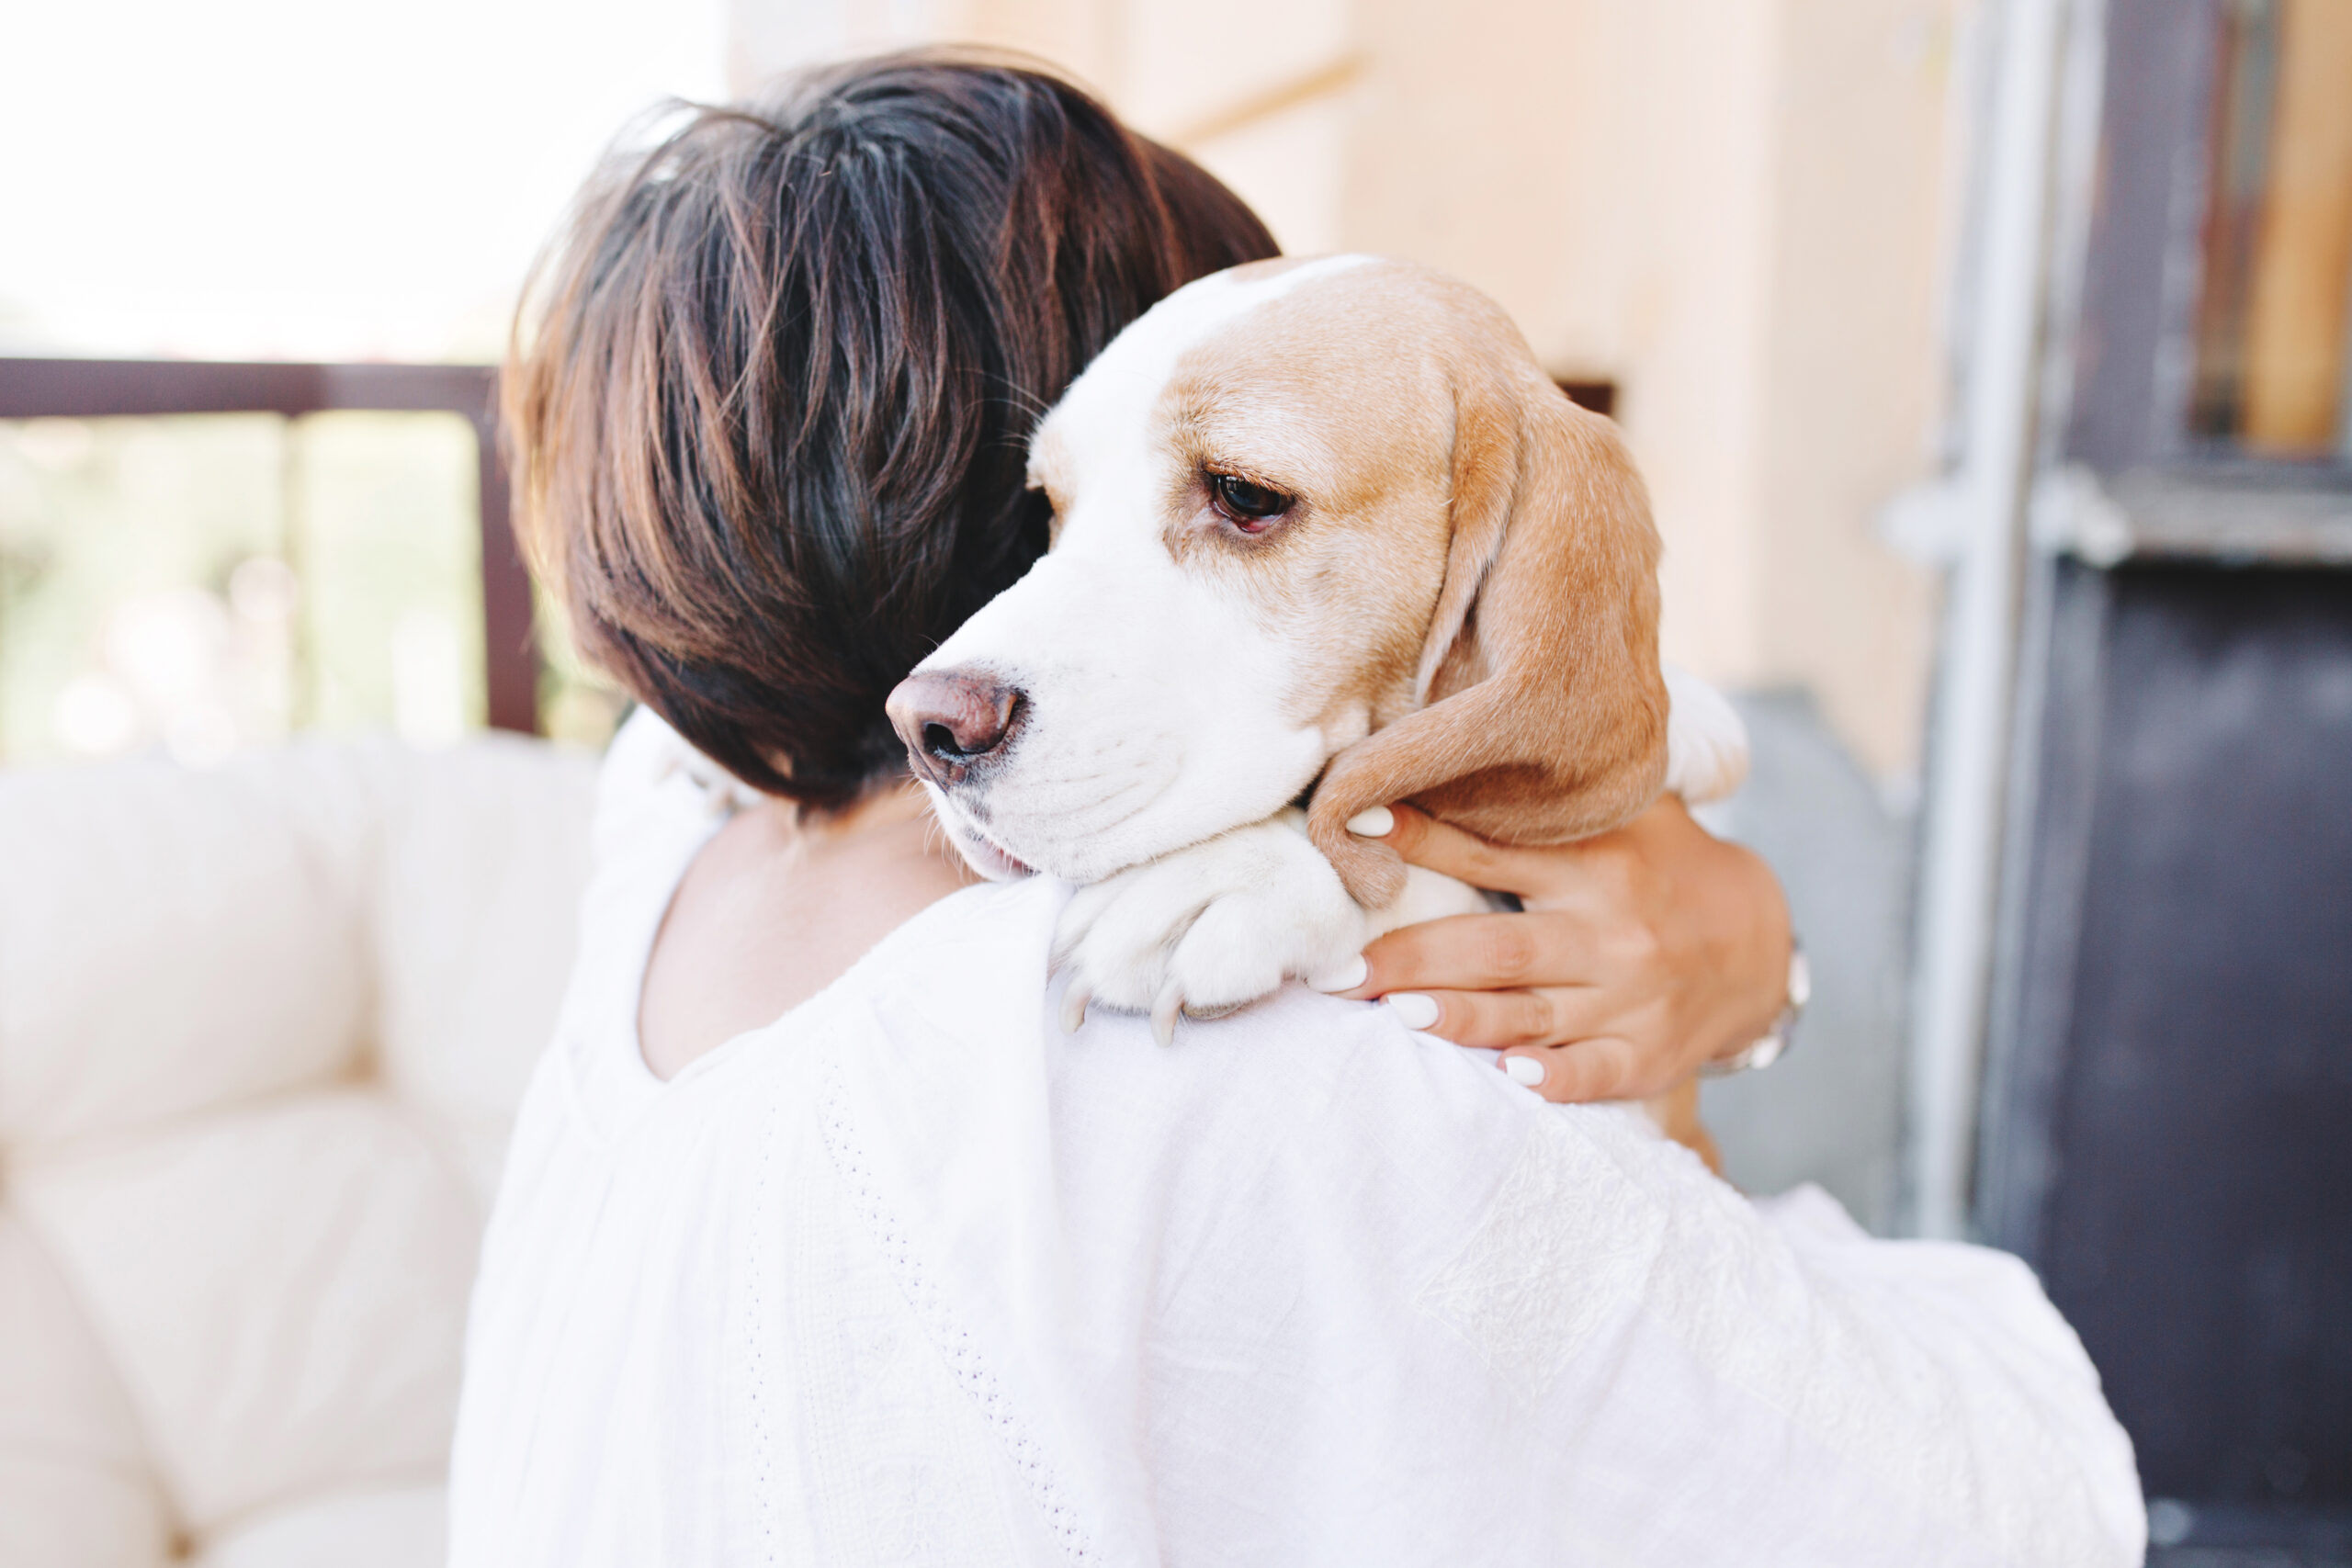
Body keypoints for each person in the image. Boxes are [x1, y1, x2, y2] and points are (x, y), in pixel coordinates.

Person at [448, 52, 2143, 1566]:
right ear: (1008, 509)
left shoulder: (663, 840)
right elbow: (1999, 1510)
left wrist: (1659, 864)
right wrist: (1739, 951)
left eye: (1240, 493)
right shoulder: (1254, 1055)